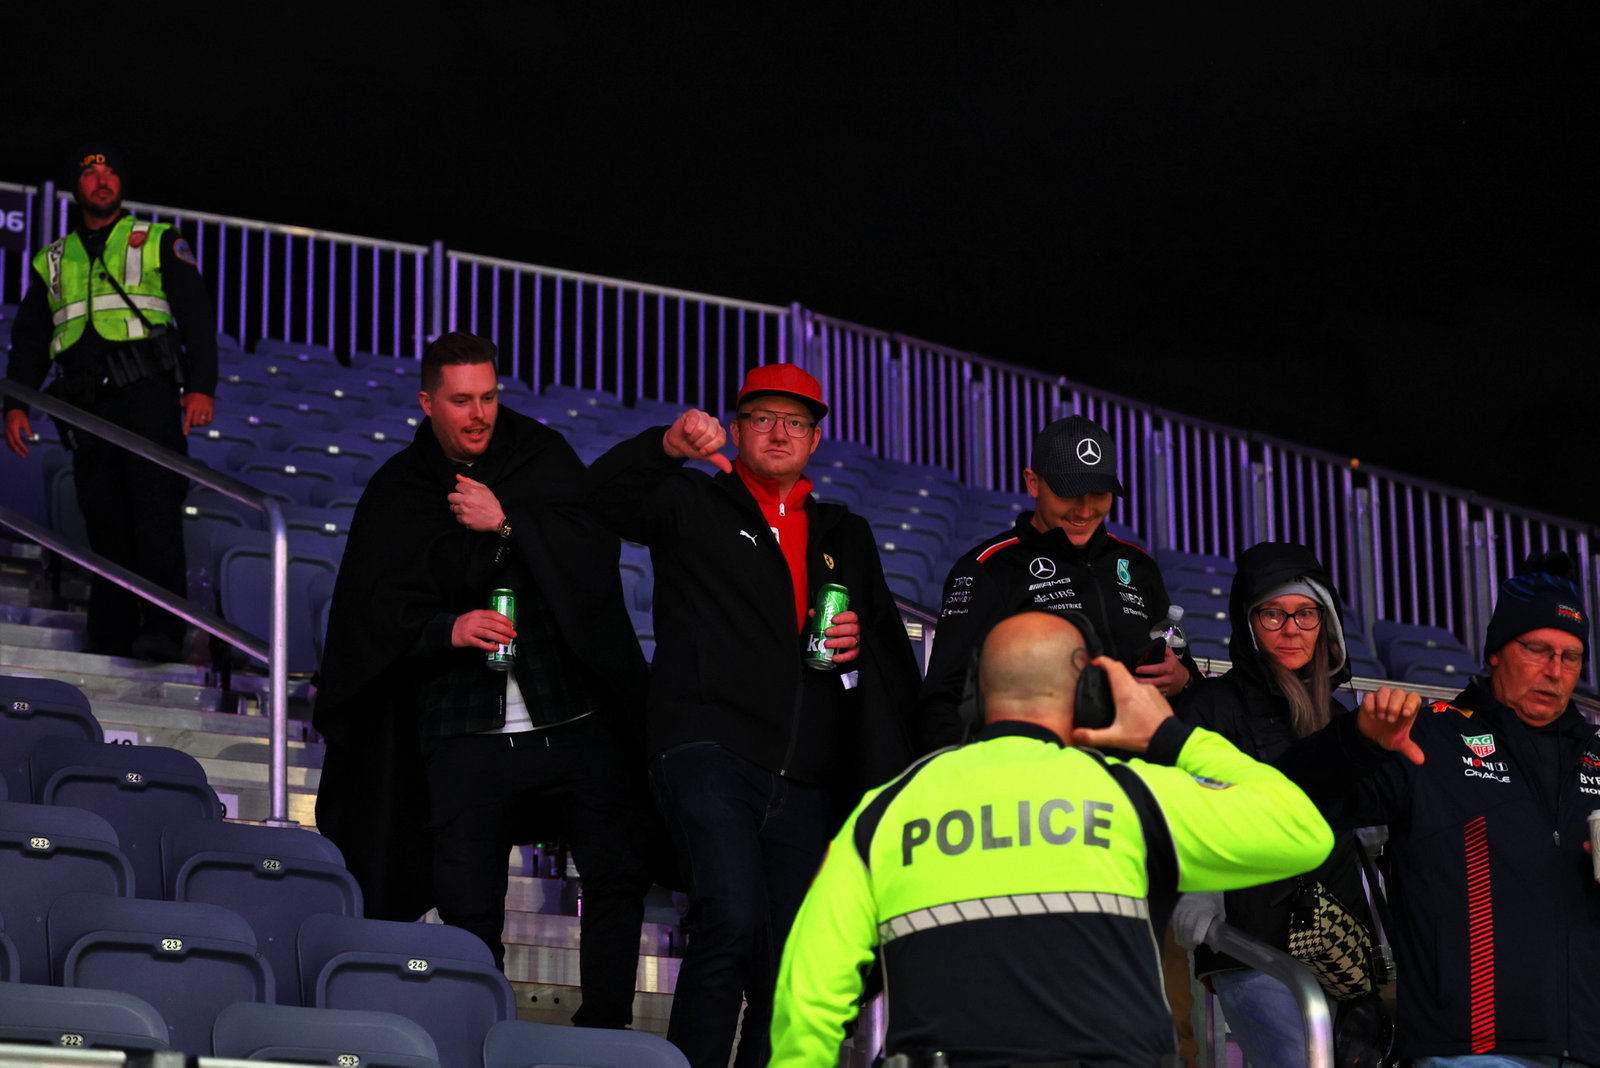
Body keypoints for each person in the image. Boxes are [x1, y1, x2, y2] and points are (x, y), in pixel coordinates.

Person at [769, 611, 1336, 1068]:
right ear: (1087, 692)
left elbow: (809, 996)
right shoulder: (1138, 798)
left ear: (976, 694)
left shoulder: (884, 812)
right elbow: (1304, 832)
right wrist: (1173, 736)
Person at [582, 364, 922, 1068]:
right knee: (730, 919)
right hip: (707, 749)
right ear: (736, 431)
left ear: (816, 439)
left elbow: (883, 654)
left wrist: (855, 649)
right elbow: (598, 499)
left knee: (791, 962)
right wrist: (666, 446)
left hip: (806, 776)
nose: (778, 432)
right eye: (762, 418)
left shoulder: (844, 532)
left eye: (794, 422)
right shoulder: (691, 503)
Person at [312, 332, 653, 1028]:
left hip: (572, 712)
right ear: (427, 402)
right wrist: (449, 629)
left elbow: (589, 554)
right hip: (462, 721)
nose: (479, 414)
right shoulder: (399, 489)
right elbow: (370, 611)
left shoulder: (541, 457)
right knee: (468, 896)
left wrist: (507, 524)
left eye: (489, 397)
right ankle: (481, 1028)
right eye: (461, 400)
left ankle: (606, 1031)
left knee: (617, 873)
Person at [1280, 551, 1600, 1067]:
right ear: (1496, 651)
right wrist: (1358, 741)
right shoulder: (1433, 737)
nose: (1554, 671)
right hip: (1468, 1050)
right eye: (1537, 649)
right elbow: (1295, 797)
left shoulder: (1597, 756)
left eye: (1571, 657)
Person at [3, 143, 218, 661]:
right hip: (84, 405)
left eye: (111, 172)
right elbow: (31, 339)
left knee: (156, 513)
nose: (102, 179)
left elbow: (196, 314)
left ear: (122, 183)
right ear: (75, 189)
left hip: (146, 393)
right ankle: (112, 631)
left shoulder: (158, 240)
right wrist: (15, 404)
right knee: (103, 518)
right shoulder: (51, 260)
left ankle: (165, 632)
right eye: (90, 173)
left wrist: (202, 385)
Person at [1170, 542, 1379, 1067]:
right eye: (1273, 614)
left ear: (1325, 623)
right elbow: (1190, 810)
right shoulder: (1211, 706)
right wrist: (1202, 892)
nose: (1291, 628)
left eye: (1306, 613)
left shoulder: (1337, 713)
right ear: (1248, 624)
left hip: (1339, 945)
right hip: (1250, 943)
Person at [918, 414, 1193, 751]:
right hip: (1034, 784)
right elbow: (944, 700)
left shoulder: (1138, 565)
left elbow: (1180, 663)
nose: (1085, 510)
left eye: (1099, 493)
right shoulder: (988, 568)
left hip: (1136, 778)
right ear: (1033, 483)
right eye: (1070, 494)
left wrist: (1183, 680)